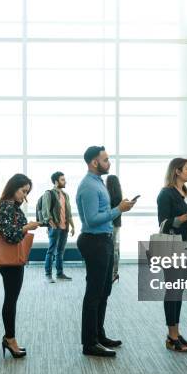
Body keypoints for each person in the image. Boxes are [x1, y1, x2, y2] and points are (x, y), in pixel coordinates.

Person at [76, 146, 136, 357]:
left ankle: (98, 335)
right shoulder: (89, 186)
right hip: (94, 242)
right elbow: (92, 219)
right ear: (94, 162)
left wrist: (118, 208)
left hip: (104, 240)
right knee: (94, 294)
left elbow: (102, 213)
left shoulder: (98, 183)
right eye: (105, 159)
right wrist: (119, 209)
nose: (108, 163)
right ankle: (89, 343)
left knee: (104, 292)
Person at [157, 158, 187, 352]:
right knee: (173, 291)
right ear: (176, 171)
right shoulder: (165, 194)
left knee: (179, 291)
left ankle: (176, 332)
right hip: (173, 247)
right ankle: (171, 336)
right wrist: (186, 217)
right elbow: (163, 223)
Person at [0, 174, 41, 359]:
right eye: (23, 191)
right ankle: (10, 339)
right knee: (11, 300)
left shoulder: (8, 206)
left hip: (12, 260)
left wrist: (28, 226)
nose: (24, 196)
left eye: (27, 192)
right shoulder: (7, 206)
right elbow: (10, 235)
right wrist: (27, 227)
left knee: (11, 299)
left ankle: (10, 338)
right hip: (10, 261)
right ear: (13, 188)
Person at [40, 171, 75, 283]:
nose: (65, 181)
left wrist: (72, 226)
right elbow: (45, 211)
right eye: (62, 179)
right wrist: (52, 224)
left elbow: (68, 213)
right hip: (55, 227)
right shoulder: (49, 193)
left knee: (60, 251)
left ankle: (60, 274)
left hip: (64, 228)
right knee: (51, 251)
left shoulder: (66, 195)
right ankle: (48, 275)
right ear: (56, 181)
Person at [106, 175, 122, 283]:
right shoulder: (119, 195)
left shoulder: (108, 196)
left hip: (110, 225)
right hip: (117, 224)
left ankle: (113, 274)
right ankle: (115, 273)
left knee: (112, 250)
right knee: (115, 249)